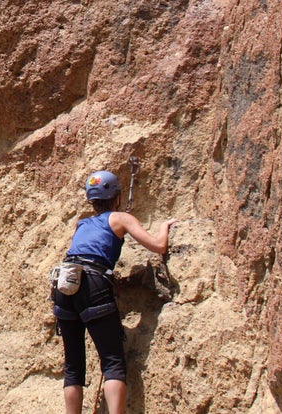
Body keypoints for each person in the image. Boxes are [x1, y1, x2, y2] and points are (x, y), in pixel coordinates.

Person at [51, 170, 177, 414]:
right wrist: (164, 227)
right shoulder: (121, 218)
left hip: (65, 282)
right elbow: (158, 246)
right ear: (116, 197)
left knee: (73, 367)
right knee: (112, 362)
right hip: (94, 283)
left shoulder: (82, 223)